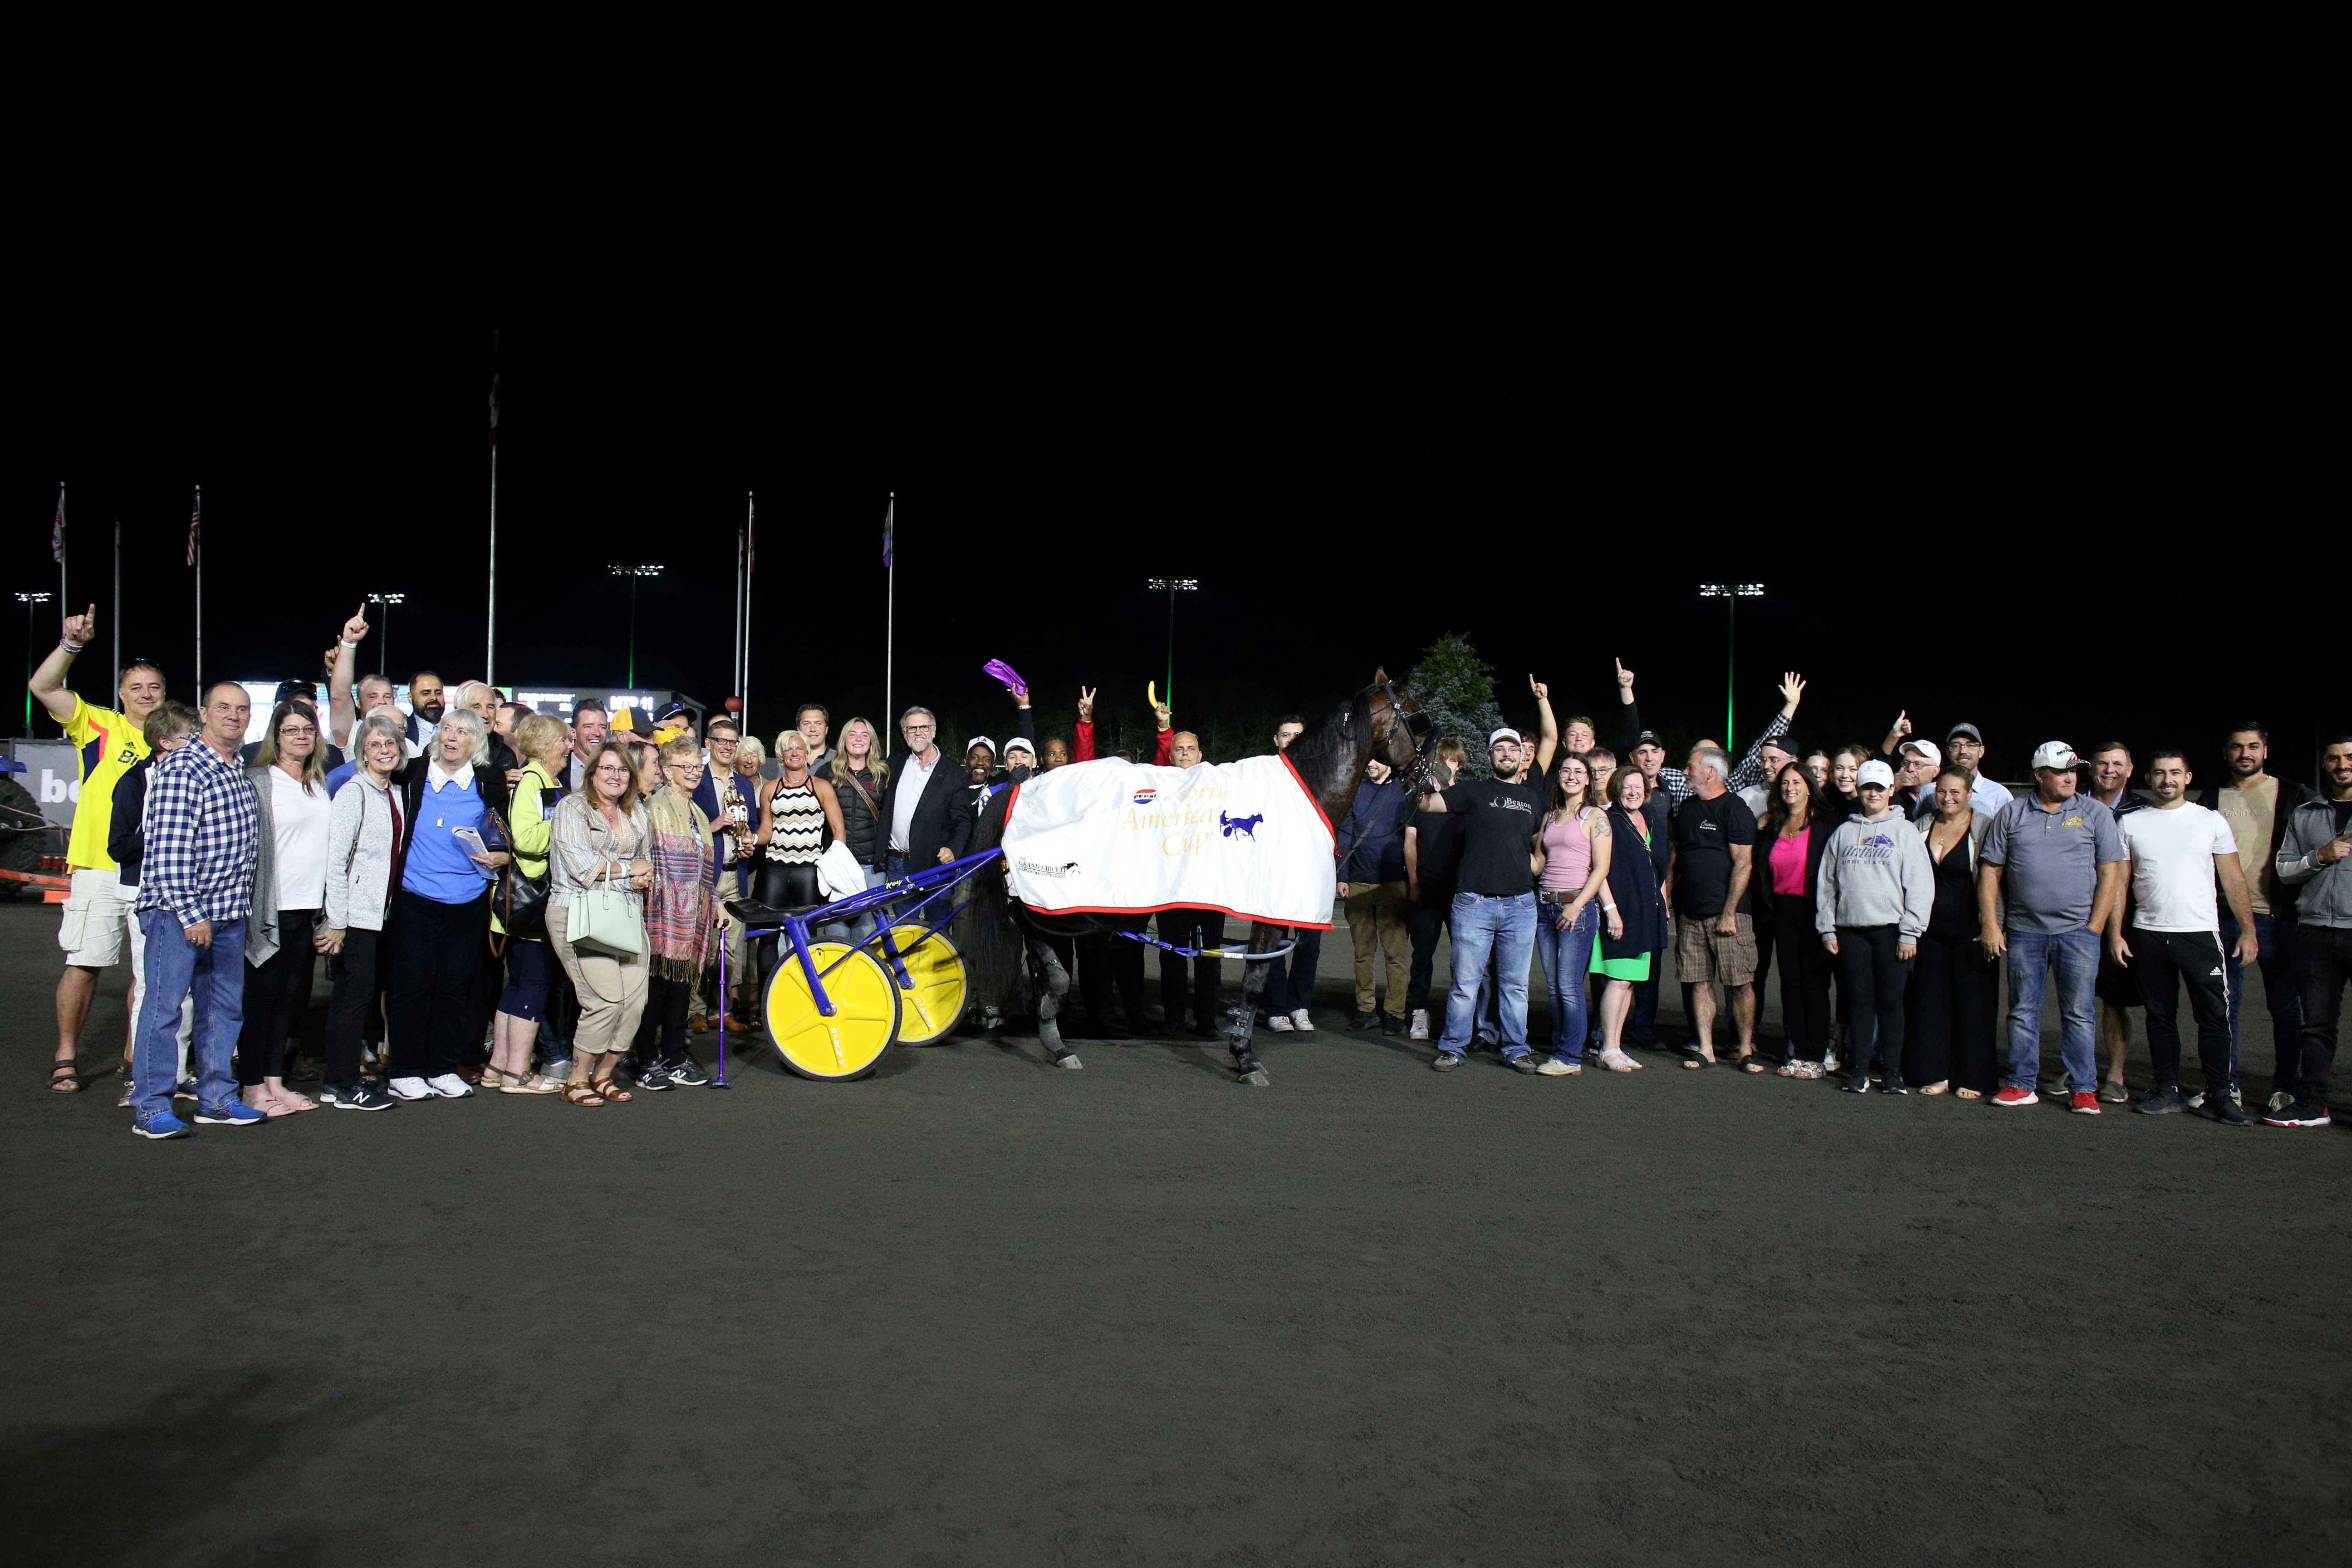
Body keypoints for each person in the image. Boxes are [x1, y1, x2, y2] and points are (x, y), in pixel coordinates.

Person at [26, 603, 164, 1093]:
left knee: (148, 975)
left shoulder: (178, 742)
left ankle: (134, 1062)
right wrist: (72, 646)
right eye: (137, 688)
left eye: (155, 688)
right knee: (85, 964)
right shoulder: (99, 725)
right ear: (122, 695)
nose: (146, 695)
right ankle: (66, 1054)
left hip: (155, 874)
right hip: (100, 868)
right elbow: (43, 688)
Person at [127, 681, 266, 1138]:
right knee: (166, 1011)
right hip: (181, 913)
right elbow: (168, 853)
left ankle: (218, 1099)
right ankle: (151, 1108)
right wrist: (193, 915)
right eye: (223, 708)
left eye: (242, 709)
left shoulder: (235, 768)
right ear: (204, 714)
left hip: (227, 914)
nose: (234, 716)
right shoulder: (184, 767)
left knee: (223, 1010)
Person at [2107, 748, 2258, 1124]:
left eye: (2176, 773)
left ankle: (2221, 1095)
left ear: (2188, 779)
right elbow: (2120, 884)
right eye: (2160, 773)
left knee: (2213, 1018)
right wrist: (2115, 933)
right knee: (2160, 1018)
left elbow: (2234, 879)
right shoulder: (2131, 824)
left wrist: (2249, 931)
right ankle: (2166, 1089)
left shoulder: (2210, 821)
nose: (2167, 780)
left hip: (2200, 934)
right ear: (2148, 779)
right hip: (2149, 935)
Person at [1978, 743, 2128, 1112]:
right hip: (2025, 931)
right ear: (2039, 775)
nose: (2070, 777)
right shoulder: (2011, 813)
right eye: (2061, 771)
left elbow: (2111, 873)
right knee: (2022, 1011)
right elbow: (1990, 871)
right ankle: (2021, 1083)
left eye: (2074, 770)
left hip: (2078, 933)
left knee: (2079, 1013)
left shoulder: (2095, 813)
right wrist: (1992, 925)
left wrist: (2095, 926)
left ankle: (2084, 1088)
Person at [384, 709, 511, 1102]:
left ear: (476, 742)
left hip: (468, 899)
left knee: (455, 989)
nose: (453, 737)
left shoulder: (489, 780)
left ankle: (442, 1068)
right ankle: (405, 1071)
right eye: (448, 730)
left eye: (463, 732)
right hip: (415, 897)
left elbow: (503, 834)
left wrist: (503, 857)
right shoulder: (413, 772)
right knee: (412, 986)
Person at [1419, 728, 1546, 1073]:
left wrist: (1538, 863)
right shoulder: (1472, 791)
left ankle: (1517, 1049)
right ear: (1490, 757)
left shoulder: (1535, 798)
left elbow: (1540, 842)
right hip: (1474, 903)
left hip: (1520, 905)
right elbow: (1428, 804)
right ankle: (1452, 1047)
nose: (1507, 753)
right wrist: (1420, 783)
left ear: (1523, 757)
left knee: (1515, 986)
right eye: (1499, 749)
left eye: (1513, 748)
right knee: (1465, 984)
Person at [233, 701, 336, 1117]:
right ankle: (252, 1087)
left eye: (307, 730)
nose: (300, 737)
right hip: (269, 910)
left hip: (307, 910)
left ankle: (274, 1082)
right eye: (291, 730)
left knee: (288, 1001)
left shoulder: (318, 784)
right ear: (275, 736)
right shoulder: (259, 780)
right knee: (260, 1001)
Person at [2210, 722, 2314, 1114]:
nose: (2245, 754)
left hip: (2281, 916)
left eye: (2253, 747)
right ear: (2227, 753)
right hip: (2227, 915)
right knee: (2226, 1005)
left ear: (2265, 751)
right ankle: (2229, 1085)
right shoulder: (2212, 798)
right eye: (2237, 748)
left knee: (2286, 1007)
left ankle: (2286, 1086)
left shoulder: (2296, 796)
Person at [1816, 760, 1935, 1095]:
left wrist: (1911, 932)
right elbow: (1827, 885)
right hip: (1851, 931)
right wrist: (1827, 928)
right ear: (1860, 789)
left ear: (1891, 792)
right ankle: (1860, 1069)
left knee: (1891, 1003)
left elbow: (1921, 885)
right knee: (1859, 1002)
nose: (1872, 793)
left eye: (1879, 788)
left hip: (1891, 931)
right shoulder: (1844, 832)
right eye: (1867, 787)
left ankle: (1893, 1072)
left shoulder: (1905, 831)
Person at [546, 744, 653, 1106]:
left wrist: (640, 876)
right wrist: (630, 871)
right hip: (579, 912)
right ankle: (576, 1079)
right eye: (607, 769)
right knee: (606, 1000)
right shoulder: (571, 808)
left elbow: (646, 860)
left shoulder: (637, 811)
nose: (615, 776)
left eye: (622, 770)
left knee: (635, 1001)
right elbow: (584, 869)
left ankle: (603, 1075)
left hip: (625, 913)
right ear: (592, 772)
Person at [108, 702, 200, 1103]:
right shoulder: (135, 781)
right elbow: (119, 846)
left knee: (188, 992)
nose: (199, 745)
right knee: (154, 991)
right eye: (190, 739)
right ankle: (144, 1078)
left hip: (190, 895)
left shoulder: (197, 778)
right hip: (145, 895)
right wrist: (169, 836)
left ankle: (177, 1073)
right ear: (165, 742)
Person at [319, 710, 410, 1112]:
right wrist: (337, 922)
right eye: (375, 745)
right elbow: (335, 861)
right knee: (352, 1001)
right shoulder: (353, 793)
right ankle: (344, 1083)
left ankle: (335, 1080)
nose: (384, 750)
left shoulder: (391, 791)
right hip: (354, 916)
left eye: (390, 743)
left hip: (377, 914)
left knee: (353, 999)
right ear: (362, 753)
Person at [2262, 735, 2352, 1129]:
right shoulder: (2307, 813)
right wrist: (2320, 856)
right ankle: (2314, 1102)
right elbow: (2284, 869)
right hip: (2315, 931)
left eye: (2349, 757)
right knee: (2316, 1025)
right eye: (2333, 759)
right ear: (2325, 764)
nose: (2342, 764)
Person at [483, 713, 571, 1095]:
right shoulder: (535, 780)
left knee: (519, 985)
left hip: (525, 905)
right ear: (546, 744)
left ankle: (498, 1067)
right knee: (533, 986)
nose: (569, 747)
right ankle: (518, 1072)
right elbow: (528, 839)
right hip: (532, 903)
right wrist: (567, 825)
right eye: (563, 740)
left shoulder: (545, 780)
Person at [631, 735, 719, 1089]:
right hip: (661, 911)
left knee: (681, 987)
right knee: (657, 987)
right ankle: (646, 1059)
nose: (695, 772)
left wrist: (715, 903)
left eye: (698, 765)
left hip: (693, 915)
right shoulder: (653, 808)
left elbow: (704, 867)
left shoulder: (697, 812)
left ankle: (674, 1054)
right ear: (667, 772)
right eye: (687, 767)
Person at [1667, 747, 1761, 1069]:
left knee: (1739, 983)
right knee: (1698, 981)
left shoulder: (1735, 808)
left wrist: (1730, 913)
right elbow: (1676, 856)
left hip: (1729, 916)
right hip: (1691, 914)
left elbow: (1744, 864)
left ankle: (1745, 1048)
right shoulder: (1689, 809)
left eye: (1690, 767)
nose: (1686, 772)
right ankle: (1706, 1048)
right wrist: (1668, 897)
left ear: (1710, 772)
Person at [1910, 768, 2001, 1098]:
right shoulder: (1921, 826)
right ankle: (1934, 1073)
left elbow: (1996, 878)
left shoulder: (1984, 828)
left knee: (1974, 1006)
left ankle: (1972, 1077)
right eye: (1942, 792)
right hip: (1930, 931)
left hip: (1973, 931)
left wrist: (1994, 925)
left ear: (1969, 795)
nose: (1948, 799)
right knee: (1930, 1003)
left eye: (1955, 793)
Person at [1614, 660, 1807, 809]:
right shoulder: (1679, 782)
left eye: (1710, 756)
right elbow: (1636, 764)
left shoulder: (1732, 787)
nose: (1701, 760)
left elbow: (1763, 749)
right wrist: (1626, 692)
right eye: (1697, 755)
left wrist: (1790, 707)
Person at [1529, 752, 1612, 1075]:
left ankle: (1570, 1056)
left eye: (1579, 771)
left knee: (1569, 985)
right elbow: (1538, 864)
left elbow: (1602, 868)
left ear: (1588, 779)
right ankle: (1560, 1047)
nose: (1572, 776)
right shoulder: (1549, 818)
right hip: (1544, 905)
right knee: (1553, 986)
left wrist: (1577, 906)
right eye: (1566, 770)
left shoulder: (1595, 817)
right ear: (1559, 777)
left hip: (1575, 906)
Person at [1753, 761, 1835, 1078]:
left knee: (1814, 984)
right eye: (1785, 783)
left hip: (1815, 912)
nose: (1790, 789)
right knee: (1790, 984)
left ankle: (1815, 1055)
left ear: (1810, 787)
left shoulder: (1826, 824)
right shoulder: (1774, 824)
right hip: (1783, 912)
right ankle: (1797, 1051)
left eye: (1797, 783)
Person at [2081, 741, 2152, 1102]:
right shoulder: (2071, 800)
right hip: (2074, 910)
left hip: (2122, 917)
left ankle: (2116, 1075)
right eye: (2103, 763)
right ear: (2091, 767)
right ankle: (2077, 1067)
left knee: (2114, 998)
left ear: (2129, 769)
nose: (2110, 769)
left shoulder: (2143, 809)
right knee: (2072, 996)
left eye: (2117, 764)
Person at [753, 731, 848, 999]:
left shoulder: (821, 786)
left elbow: (839, 830)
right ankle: (767, 1001)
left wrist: (831, 862)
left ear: (807, 753)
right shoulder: (770, 789)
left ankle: (807, 997)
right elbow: (766, 831)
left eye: (799, 749)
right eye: (788, 749)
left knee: (807, 938)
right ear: (781, 755)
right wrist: (751, 839)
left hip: (808, 871)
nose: (794, 753)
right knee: (769, 937)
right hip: (775, 870)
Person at [1591, 767, 1666, 1070]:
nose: (1633, 792)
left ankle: (1616, 1046)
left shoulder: (1653, 820)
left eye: (1638, 786)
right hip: (1621, 912)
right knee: (1618, 980)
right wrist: (1611, 911)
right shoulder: (1608, 820)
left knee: (1631, 982)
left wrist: (1665, 904)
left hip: (1648, 912)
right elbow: (1599, 869)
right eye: (1627, 787)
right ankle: (1606, 1048)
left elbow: (1660, 866)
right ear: (1616, 790)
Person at [1334, 757, 1412, 1034]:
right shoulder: (1357, 790)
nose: (1370, 764)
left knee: (1396, 955)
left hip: (1393, 884)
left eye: (1376, 760)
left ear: (1390, 763)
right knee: (1362, 954)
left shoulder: (1405, 789)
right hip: (1357, 883)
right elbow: (1345, 834)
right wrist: (1342, 875)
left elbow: (1413, 835)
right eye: (1367, 760)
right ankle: (1365, 1009)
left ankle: (1396, 1013)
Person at [1403, 740, 1470, 1042]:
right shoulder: (1422, 801)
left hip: (1461, 893)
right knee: (1422, 956)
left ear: (1460, 765)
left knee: (1466, 960)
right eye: (1440, 761)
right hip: (1427, 890)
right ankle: (1418, 1013)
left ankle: (1463, 1021)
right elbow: (1410, 844)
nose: (1446, 767)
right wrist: (1415, 882)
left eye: (1452, 761)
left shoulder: (1468, 801)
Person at [1261, 714, 1323, 1034]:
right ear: (1277, 740)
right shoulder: (1264, 775)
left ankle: (1300, 1006)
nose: (1291, 740)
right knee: (1273, 942)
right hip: (1274, 872)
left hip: (1310, 874)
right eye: (1286, 735)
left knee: (1309, 944)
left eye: (1298, 735)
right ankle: (1277, 1007)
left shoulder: (1322, 777)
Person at [880, 706, 957, 873]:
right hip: (896, 864)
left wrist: (953, 849)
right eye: (912, 728)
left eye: (924, 727)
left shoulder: (954, 773)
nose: (918, 732)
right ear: (904, 733)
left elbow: (962, 820)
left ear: (934, 731)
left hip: (935, 866)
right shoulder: (894, 763)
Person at [1939, 722, 2015, 815]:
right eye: (1955, 746)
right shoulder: (1929, 792)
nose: (1963, 751)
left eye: (1970, 745)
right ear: (1947, 752)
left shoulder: (2000, 795)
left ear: (1981, 751)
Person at [565, 701, 609, 790]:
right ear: (573, 733)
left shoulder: (616, 767)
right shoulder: (559, 767)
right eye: (588, 727)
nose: (597, 733)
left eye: (602, 727)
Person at [793, 704, 835, 776]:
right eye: (807, 724)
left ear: (826, 729)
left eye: (818, 724)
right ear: (799, 729)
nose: (813, 729)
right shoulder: (790, 760)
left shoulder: (839, 759)